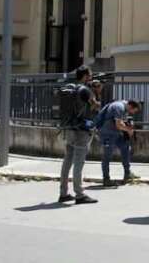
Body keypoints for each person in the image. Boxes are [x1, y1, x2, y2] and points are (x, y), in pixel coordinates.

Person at [58, 65, 98, 204]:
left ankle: (63, 193)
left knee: (67, 160)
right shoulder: (85, 90)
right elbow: (94, 106)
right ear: (85, 76)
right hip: (81, 129)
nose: (91, 77)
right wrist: (96, 93)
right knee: (78, 162)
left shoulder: (71, 88)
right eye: (90, 75)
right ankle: (79, 194)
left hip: (69, 127)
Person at [94, 98, 140, 187]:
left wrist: (128, 126)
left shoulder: (123, 108)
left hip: (115, 133)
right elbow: (118, 124)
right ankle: (106, 179)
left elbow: (120, 123)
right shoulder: (119, 107)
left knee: (126, 147)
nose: (132, 113)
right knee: (107, 155)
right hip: (107, 133)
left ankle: (127, 173)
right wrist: (129, 130)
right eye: (133, 111)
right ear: (130, 106)